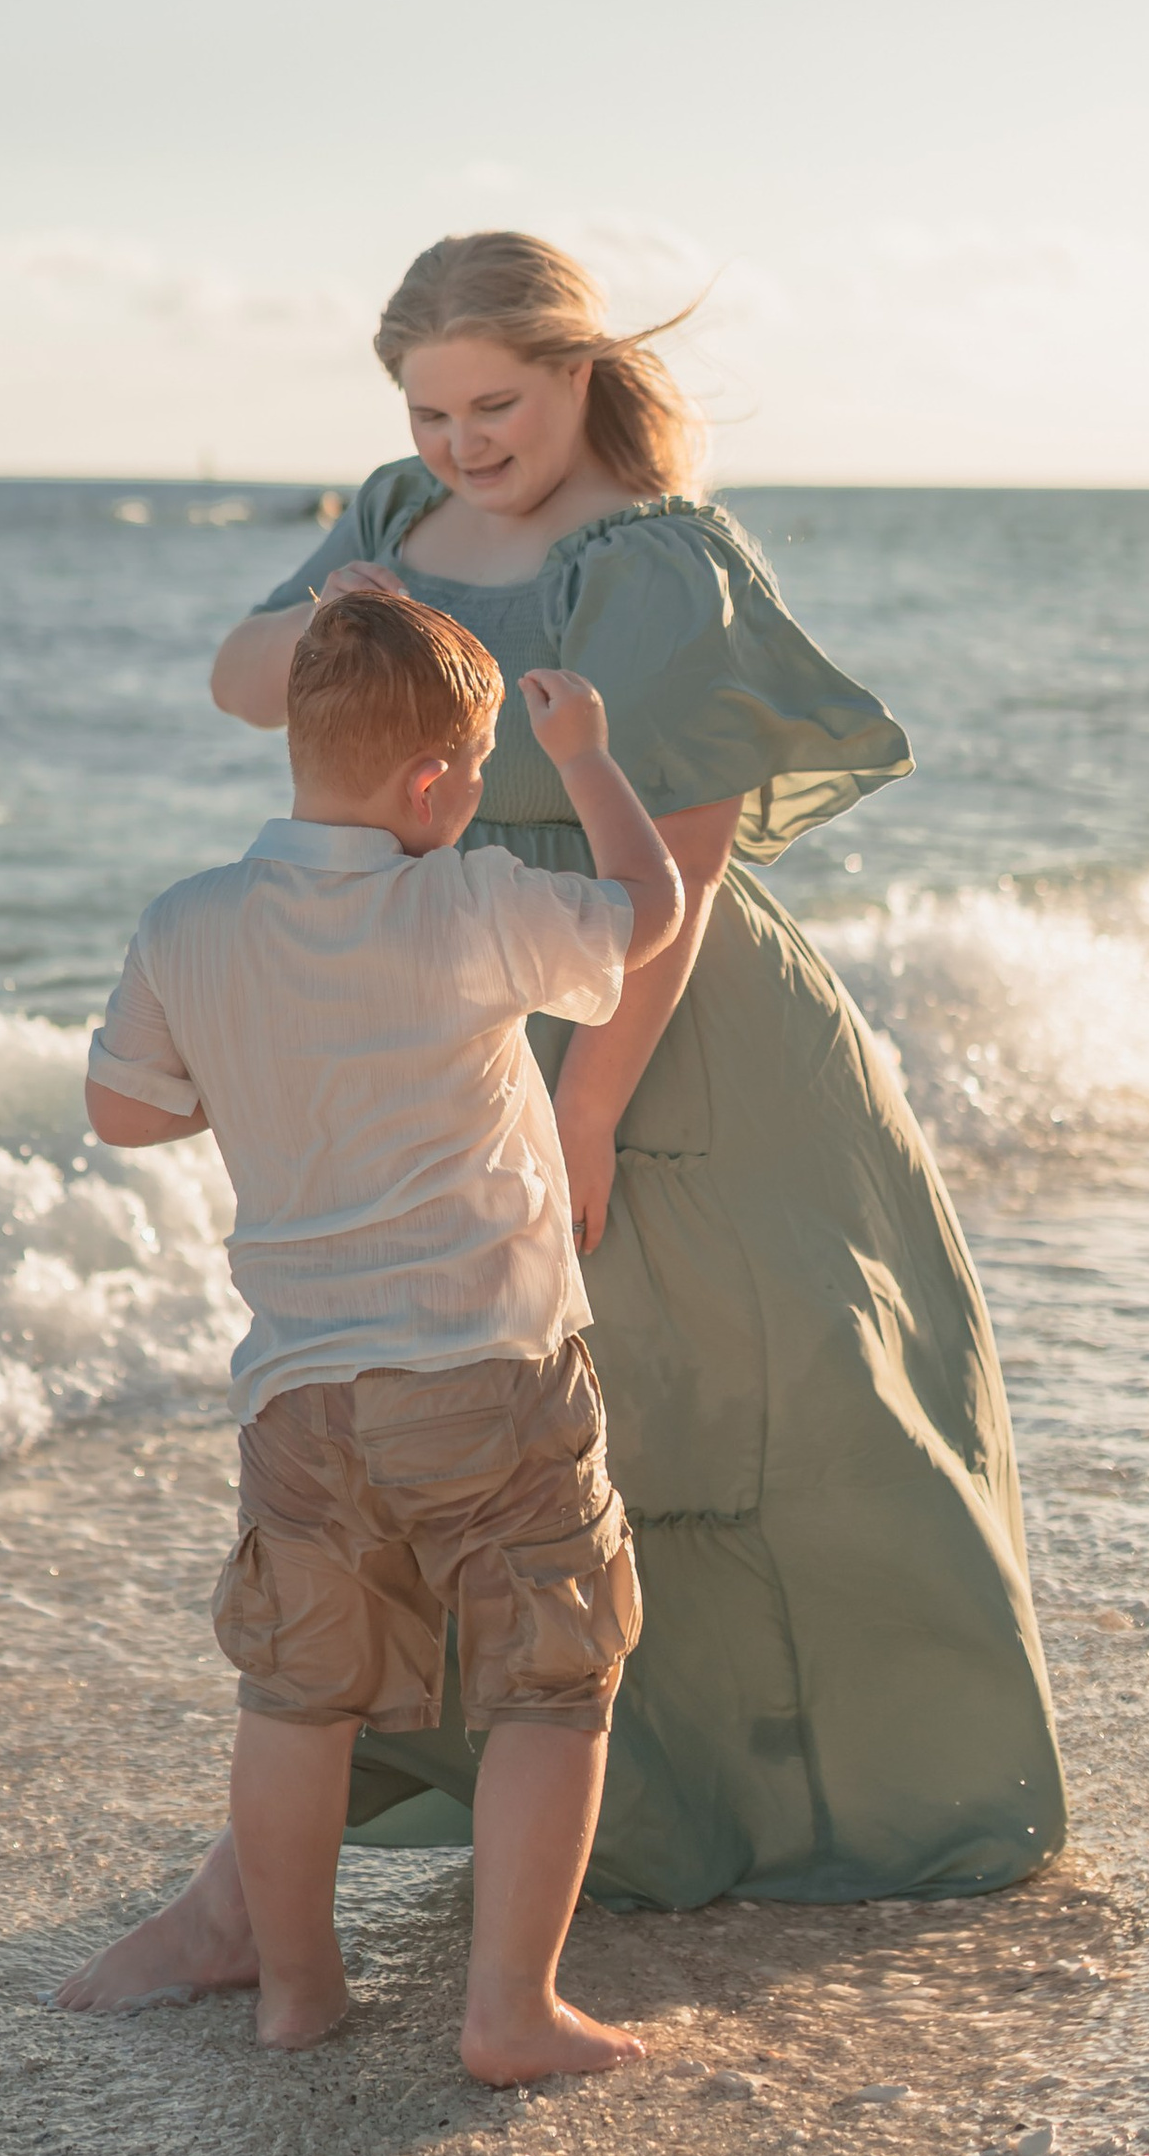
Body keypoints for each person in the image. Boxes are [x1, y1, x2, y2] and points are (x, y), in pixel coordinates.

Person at [58, 228, 1065, 2019]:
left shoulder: (661, 561)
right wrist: (378, 597)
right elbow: (239, 679)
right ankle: (251, 1900)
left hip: (644, 1018)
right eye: (428, 408)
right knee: (421, 1447)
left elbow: (683, 857)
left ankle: (704, 1820)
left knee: (673, 1427)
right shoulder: (389, 513)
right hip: (426, 1006)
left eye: (492, 403)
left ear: (581, 369)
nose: (458, 441)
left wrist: (587, 1110)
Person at [81, 582, 684, 2078]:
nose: (478, 796)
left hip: (300, 1398)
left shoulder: (191, 924)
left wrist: (256, 1068)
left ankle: (294, 1991)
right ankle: (510, 2011)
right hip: (493, 1376)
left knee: (297, 1698)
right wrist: (594, 761)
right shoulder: (465, 897)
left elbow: (121, 1109)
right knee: (552, 1681)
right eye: (474, 772)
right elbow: (650, 917)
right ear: (433, 785)